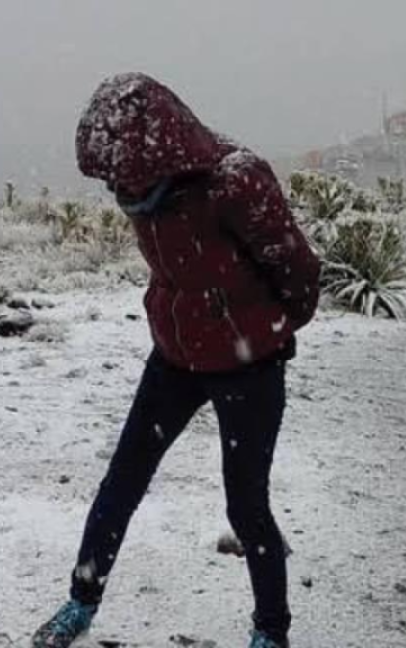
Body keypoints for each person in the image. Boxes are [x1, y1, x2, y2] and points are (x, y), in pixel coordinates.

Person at [32, 73, 321, 648]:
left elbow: (297, 270)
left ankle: (271, 632)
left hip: (249, 363)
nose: (121, 189)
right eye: (112, 177)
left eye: (128, 177)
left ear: (168, 153)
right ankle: (81, 600)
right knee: (123, 479)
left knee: (246, 504)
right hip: (176, 359)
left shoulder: (236, 182)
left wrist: (267, 333)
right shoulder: (141, 183)